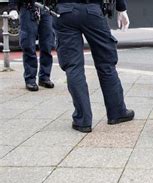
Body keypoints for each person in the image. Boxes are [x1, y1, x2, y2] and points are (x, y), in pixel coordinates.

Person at [53, 0, 134, 133]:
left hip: (64, 12)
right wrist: (121, 8)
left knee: (73, 66)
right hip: (92, 11)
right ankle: (117, 112)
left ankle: (83, 120)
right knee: (106, 64)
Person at [9, 0, 55, 91]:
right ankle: (30, 79)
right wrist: (13, 7)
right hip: (28, 7)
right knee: (28, 45)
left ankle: (45, 77)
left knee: (47, 44)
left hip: (46, 8)